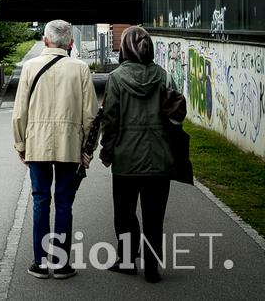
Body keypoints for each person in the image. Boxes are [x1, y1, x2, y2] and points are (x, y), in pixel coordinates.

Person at [12, 19, 97, 279]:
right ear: (71, 43)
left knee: (40, 201)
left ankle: (40, 262)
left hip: (36, 144)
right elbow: (90, 116)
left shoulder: (29, 68)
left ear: (45, 41)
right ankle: (61, 264)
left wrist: (21, 145)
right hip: (69, 146)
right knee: (63, 203)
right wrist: (86, 150)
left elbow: (19, 114)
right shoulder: (81, 69)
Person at [99, 26, 178, 284]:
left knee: (125, 213)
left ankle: (126, 260)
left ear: (124, 49)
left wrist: (107, 151)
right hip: (159, 159)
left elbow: (110, 120)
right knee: (154, 216)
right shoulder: (164, 77)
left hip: (126, 159)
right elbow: (176, 115)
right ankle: (152, 267)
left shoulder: (117, 78)